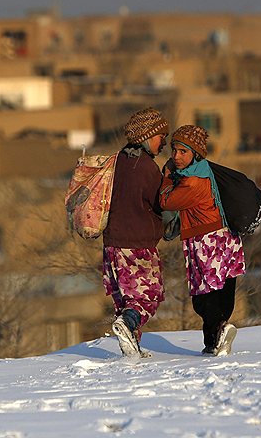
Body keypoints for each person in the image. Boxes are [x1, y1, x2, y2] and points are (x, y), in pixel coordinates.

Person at [160, 125, 245, 356]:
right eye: (174, 151)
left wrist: (167, 177)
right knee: (222, 291)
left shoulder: (193, 181)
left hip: (206, 241)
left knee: (203, 297)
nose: (176, 157)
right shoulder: (206, 171)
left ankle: (219, 330)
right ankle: (215, 340)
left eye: (182, 152)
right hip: (225, 238)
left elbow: (167, 201)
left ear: (195, 153)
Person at [102, 107, 169, 357]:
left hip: (112, 243)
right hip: (137, 243)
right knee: (148, 295)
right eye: (161, 136)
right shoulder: (146, 168)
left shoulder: (118, 161)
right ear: (147, 136)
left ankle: (131, 347)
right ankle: (129, 326)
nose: (163, 142)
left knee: (125, 299)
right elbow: (161, 203)